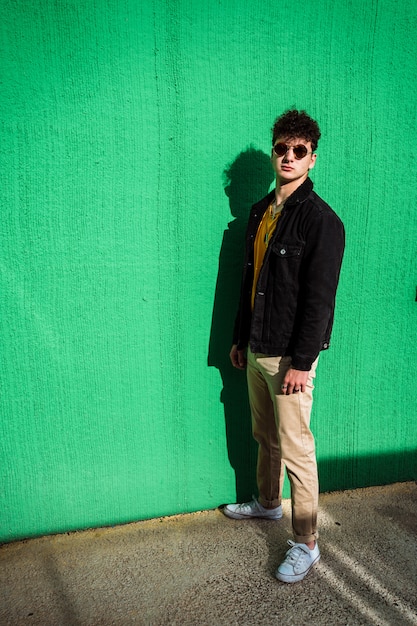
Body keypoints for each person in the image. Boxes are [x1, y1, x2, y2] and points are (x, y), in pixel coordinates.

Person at [223, 109, 345, 583]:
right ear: (274, 151)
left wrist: (303, 361)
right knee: (264, 435)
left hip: (290, 357)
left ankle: (307, 543)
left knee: (297, 449)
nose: (288, 157)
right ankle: (268, 504)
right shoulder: (259, 212)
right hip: (257, 347)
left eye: (299, 151)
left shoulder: (321, 221)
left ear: (312, 158)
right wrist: (240, 338)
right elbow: (250, 283)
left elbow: (319, 300)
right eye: (282, 148)